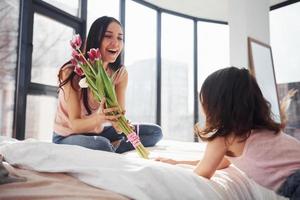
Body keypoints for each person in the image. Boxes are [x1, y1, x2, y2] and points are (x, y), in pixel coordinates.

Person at [156, 67, 300, 199]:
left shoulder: (223, 137)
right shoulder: (262, 130)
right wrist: (178, 162)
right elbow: (221, 162)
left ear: (214, 105)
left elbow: (202, 172)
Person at [53, 16, 162, 153]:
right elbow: (75, 125)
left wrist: (121, 125)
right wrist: (100, 117)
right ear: (95, 38)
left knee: (154, 132)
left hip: (97, 132)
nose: (115, 43)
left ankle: (113, 147)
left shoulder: (119, 74)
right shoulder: (71, 71)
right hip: (67, 136)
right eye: (108, 36)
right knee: (102, 145)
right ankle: (110, 147)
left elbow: (117, 118)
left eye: (120, 38)